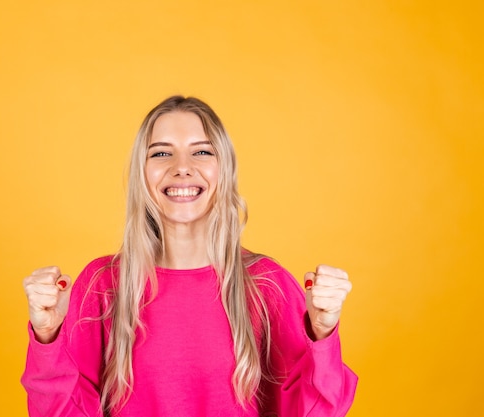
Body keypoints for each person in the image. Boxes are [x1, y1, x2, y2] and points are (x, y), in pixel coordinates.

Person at [21, 96, 358, 417]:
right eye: (161, 154)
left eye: (200, 151)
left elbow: (316, 411)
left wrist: (323, 334)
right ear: (142, 172)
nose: (182, 168)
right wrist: (48, 337)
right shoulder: (102, 285)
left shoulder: (268, 285)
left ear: (222, 168)